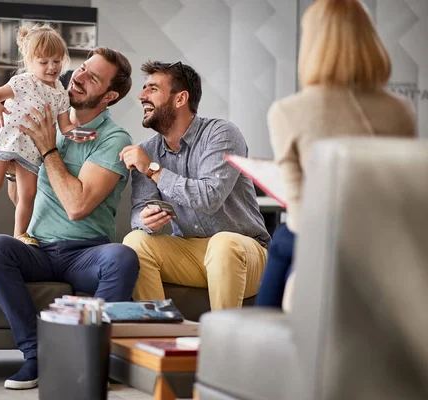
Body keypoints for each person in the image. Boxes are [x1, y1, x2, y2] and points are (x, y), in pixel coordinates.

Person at [0, 47, 139, 390]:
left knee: (122, 256)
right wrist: (10, 172)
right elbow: (23, 198)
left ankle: (91, 359)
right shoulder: (48, 117)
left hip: (85, 253)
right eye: (82, 68)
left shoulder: (113, 139)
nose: (77, 77)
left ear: (109, 96)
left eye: (92, 77)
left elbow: (77, 206)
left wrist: (48, 149)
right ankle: (35, 355)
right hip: (37, 247)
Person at [255, 0, 417, 310]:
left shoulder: (288, 112)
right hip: (390, 245)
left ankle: (264, 332)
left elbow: (302, 215)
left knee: (284, 238)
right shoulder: (401, 110)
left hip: (325, 239)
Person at [121, 61, 271, 310]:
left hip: (244, 252)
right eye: (144, 88)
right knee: (135, 242)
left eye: (152, 89)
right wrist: (144, 220)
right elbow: (138, 211)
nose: (141, 95)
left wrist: (153, 169)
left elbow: (209, 198)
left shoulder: (222, 133)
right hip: (190, 252)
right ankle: (161, 335)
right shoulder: (147, 151)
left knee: (223, 244)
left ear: (180, 99)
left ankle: (221, 343)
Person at [0, 24, 87, 252]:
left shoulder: (60, 91)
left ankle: (20, 233)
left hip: (30, 150)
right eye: (44, 62)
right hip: (5, 140)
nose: (52, 67)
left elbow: (65, 125)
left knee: (28, 193)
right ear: (29, 62)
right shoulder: (23, 82)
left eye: (57, 61)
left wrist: (78, 134)